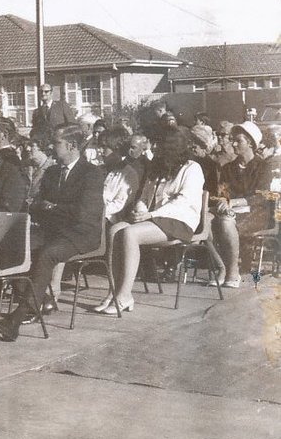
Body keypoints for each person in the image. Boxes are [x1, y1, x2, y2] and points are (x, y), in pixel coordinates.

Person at [1, 124, 105, 337]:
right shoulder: (52, 172)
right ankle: (42, 299)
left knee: (48, 253)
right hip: (54, 230)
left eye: (56, 143)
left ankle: (20, 315)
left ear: (72, 145)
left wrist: (53, 208)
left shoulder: (92, 174)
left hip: (82, 234)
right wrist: (48, 208)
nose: (51, 146)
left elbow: (85, 213)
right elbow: (39, 205)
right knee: (17, 246)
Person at [93, 126, 204, 314]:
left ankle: (125, 295)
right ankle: (114, 291)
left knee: (129, 233)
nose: (153, 148)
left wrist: (150, 215)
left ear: (171, 146)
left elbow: (184, 201)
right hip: (153, 220)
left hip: (178, 221)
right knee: (115, 230)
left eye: (158, 144)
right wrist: (141, 210)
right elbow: (145, 196)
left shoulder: (192, 169)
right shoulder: (158, 168)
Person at [209, 122, 271, 285]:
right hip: (231, 212)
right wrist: (223, 200)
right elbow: (222, 192)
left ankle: (232, 271)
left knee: (227, 221)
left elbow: (262, 196)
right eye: (233, 140)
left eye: (238, 141)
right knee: (208, 219)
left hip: (256, 214)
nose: (233, 144)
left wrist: (233, 202)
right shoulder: (228, 168)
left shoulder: (263, 166)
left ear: (250, 142)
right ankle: (222, 267)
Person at [99, 126, 141, 223]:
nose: (100, 151)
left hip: (110, 218)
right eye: (99, 146)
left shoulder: (129, 174)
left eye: (104, 147)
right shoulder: (99, 169)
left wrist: (95, 211)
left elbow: (118, 204)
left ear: (116, 148)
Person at [20, 134, 54, 210]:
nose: (28, 149)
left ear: (42, 149)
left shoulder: (52, 170)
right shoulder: (26, 166)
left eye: (32, 146)